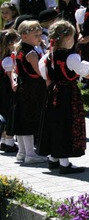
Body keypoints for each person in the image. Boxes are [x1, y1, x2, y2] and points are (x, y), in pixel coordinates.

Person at [37, 20, 89, 174]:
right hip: (68, 94)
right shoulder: (71, 58)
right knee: (67, 124)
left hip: (53, 92)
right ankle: (64, 163)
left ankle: (53, 158)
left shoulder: (46, 57)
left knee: (54, 123)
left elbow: (45, 75)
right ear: (67, 39)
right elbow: (87, 73)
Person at [13, 20, 48, 164]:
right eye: (36, 35)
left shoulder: (20, 49)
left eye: (40, 35)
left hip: (23, 88)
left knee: (22, 119)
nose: (40, 38)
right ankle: (30, 154)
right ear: (25, 36)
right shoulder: (31, 53)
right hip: (32, 89)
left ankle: (22, 152)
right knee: (29, 120)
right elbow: (39, 72)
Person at [0, 29, 20, 153]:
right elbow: (10, 75)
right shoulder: (8, 59)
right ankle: (9, 141)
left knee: (4, 112)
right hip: (7, 89)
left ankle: (3, 141)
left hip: (2, 89)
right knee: (9, 113)